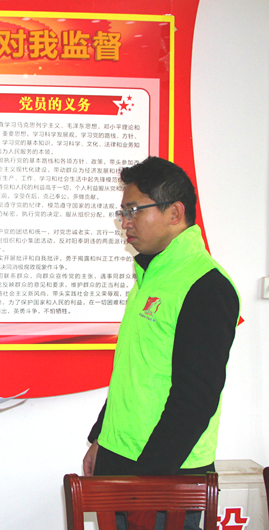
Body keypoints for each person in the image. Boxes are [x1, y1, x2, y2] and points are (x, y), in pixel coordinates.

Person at [82, 157, 240, 530]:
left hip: (165, 475)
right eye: (122, 212)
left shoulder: (206, 286)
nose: (126, 222)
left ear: (175, 212)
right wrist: (101, 439)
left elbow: (196, 399)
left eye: (134, 210)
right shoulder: (149, 276)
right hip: (120, 459)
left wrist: (148, 483)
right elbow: (134, 371)